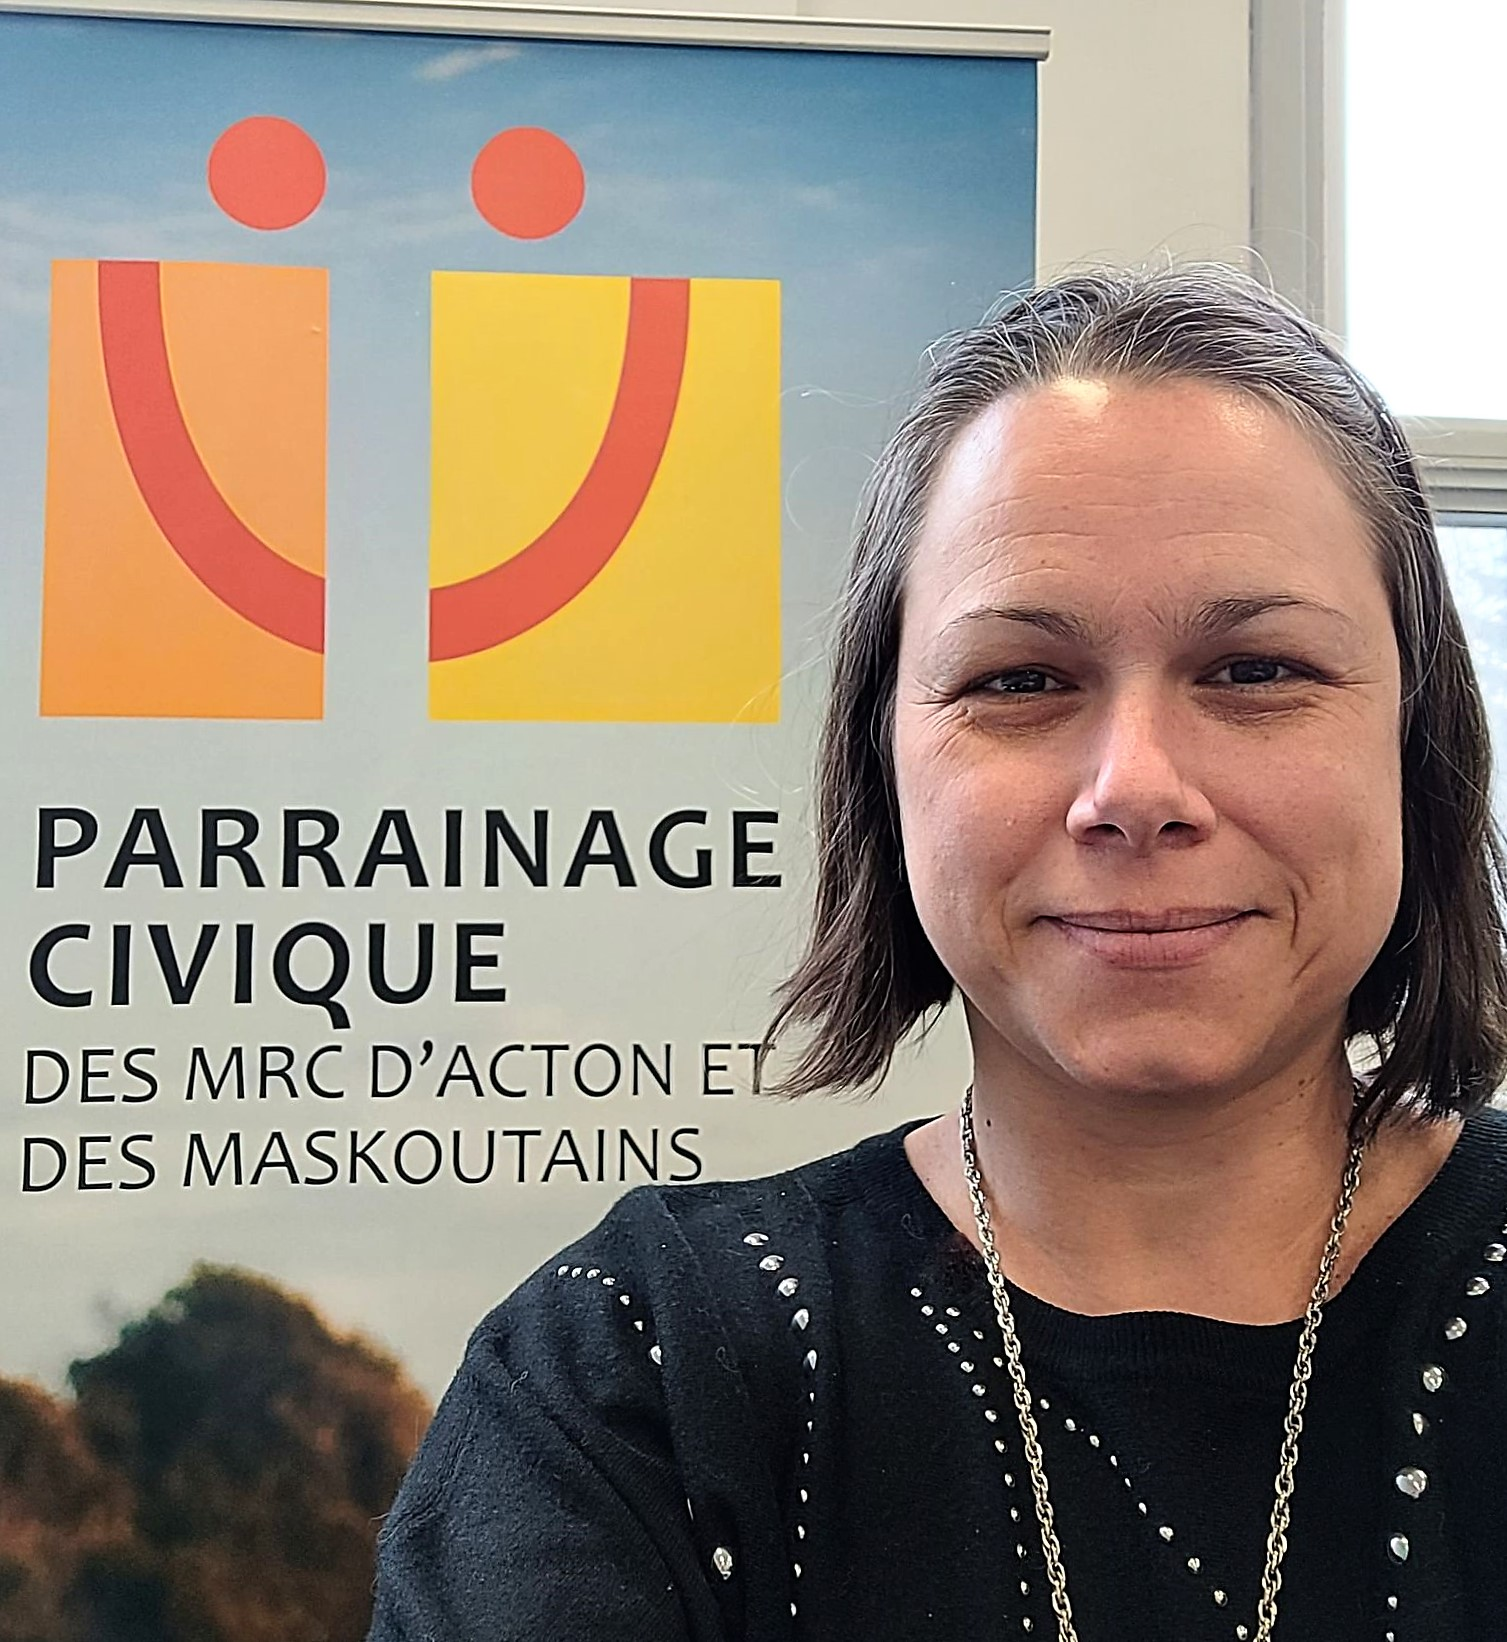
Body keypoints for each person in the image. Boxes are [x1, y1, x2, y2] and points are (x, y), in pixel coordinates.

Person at [367, 265, 1507, 1642]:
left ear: (1417, 742)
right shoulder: (637, 1377)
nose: (1135, 788)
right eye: (1019, 681)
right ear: (884, 764)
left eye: (1256, 670)